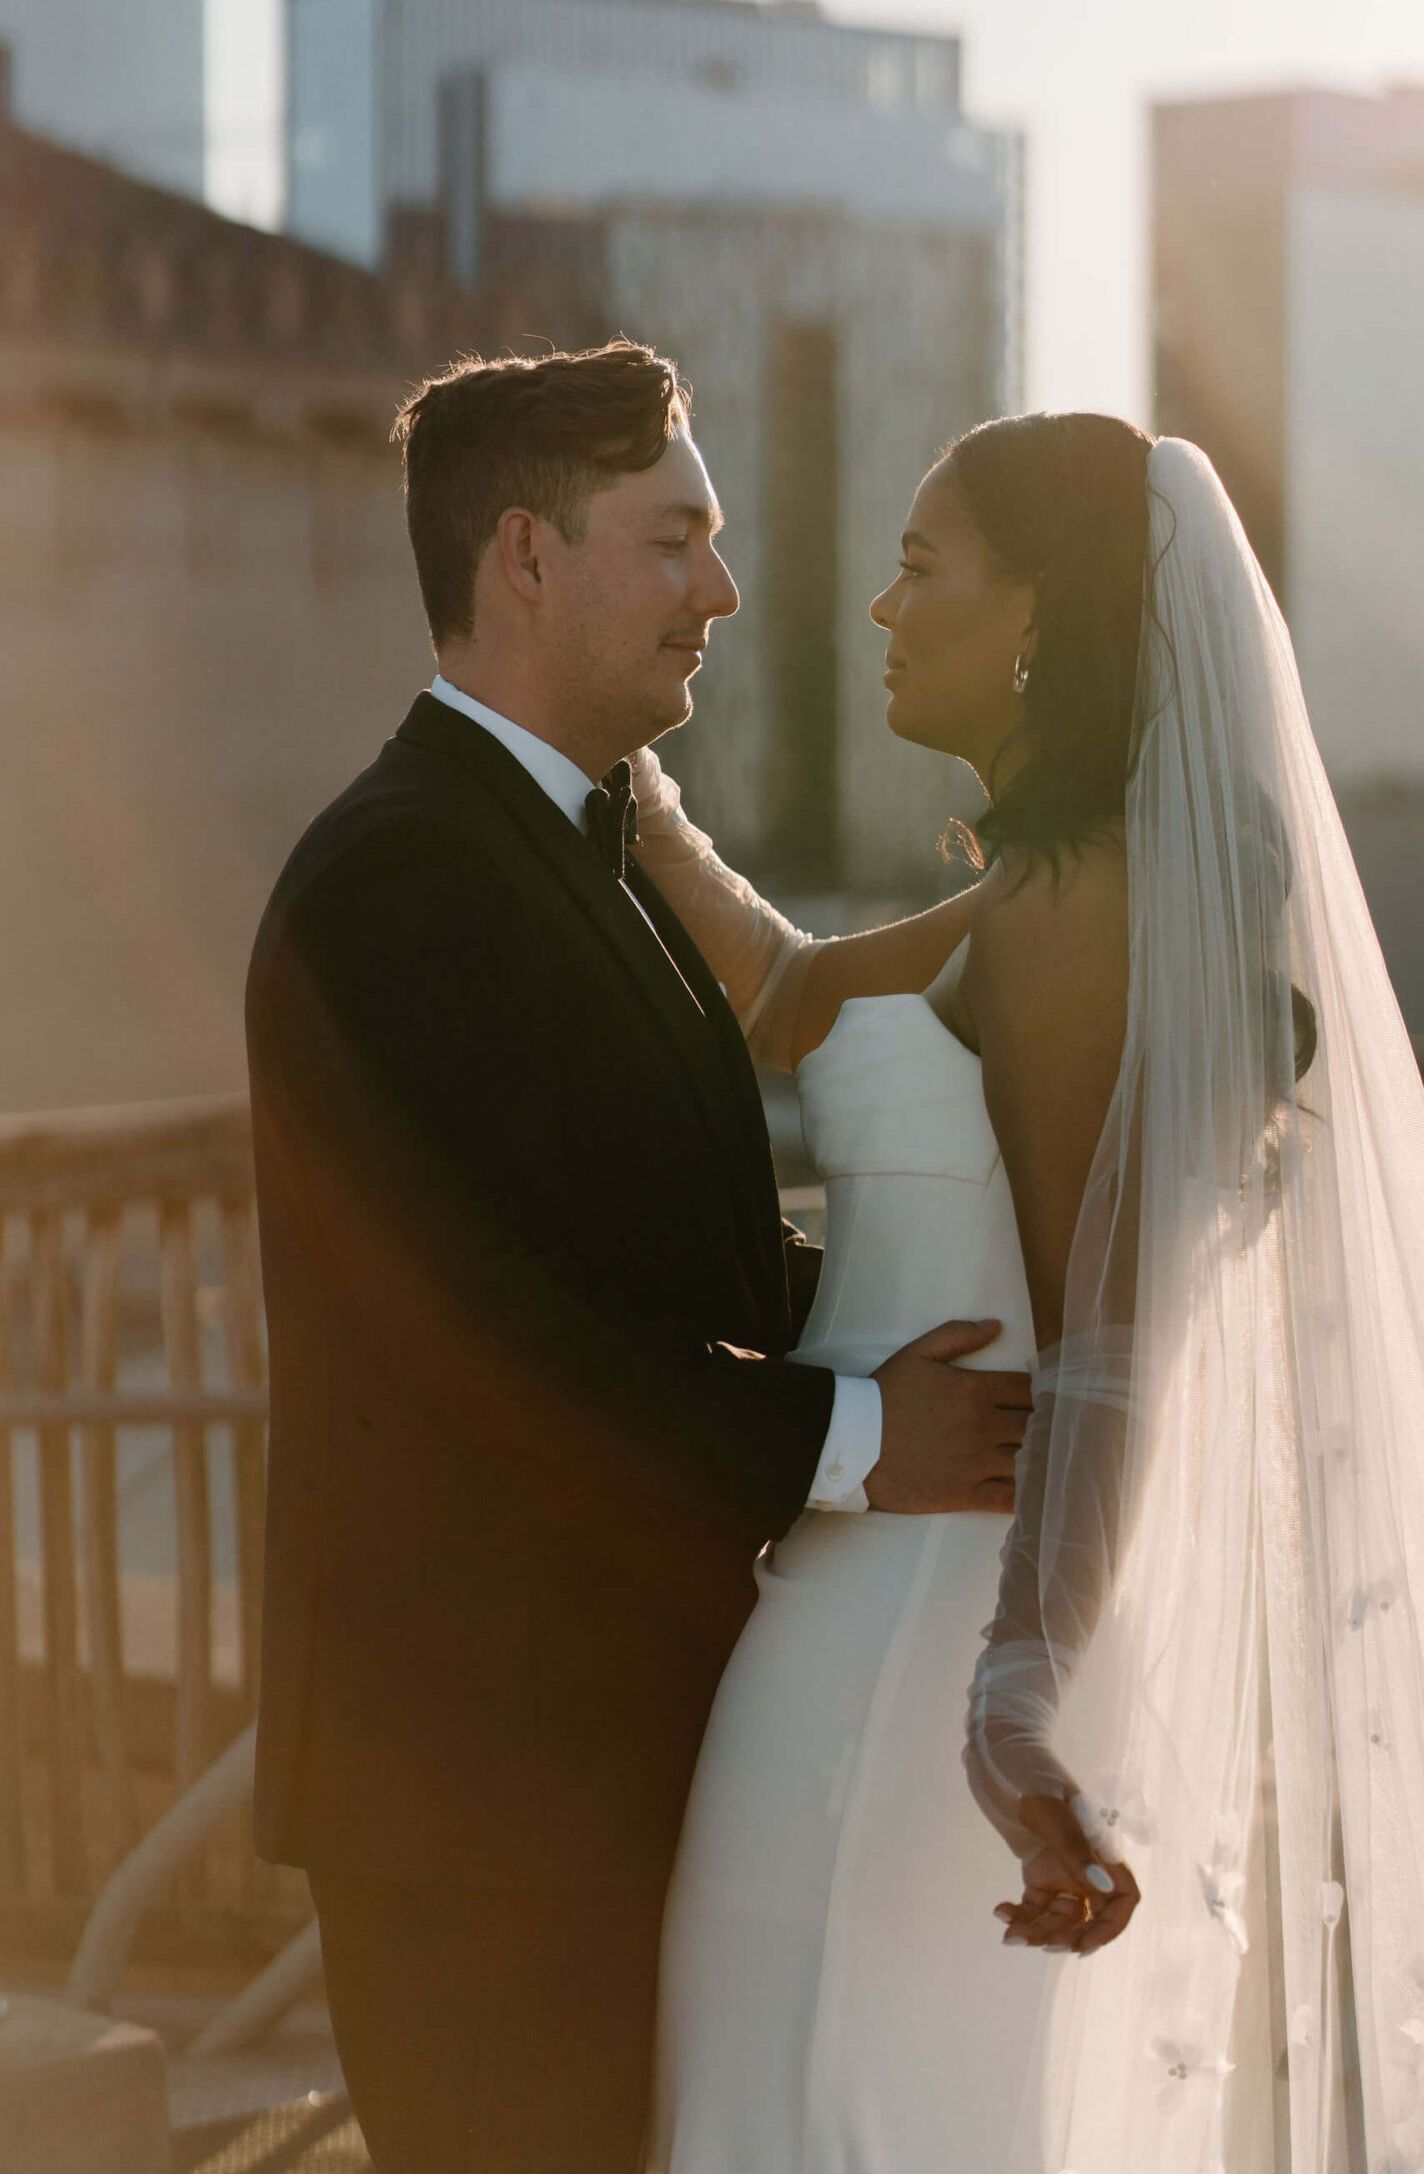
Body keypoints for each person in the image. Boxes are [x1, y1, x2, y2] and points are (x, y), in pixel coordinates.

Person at [641, 414, 1424, 2169]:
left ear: (1044, 616)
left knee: (829, 2100)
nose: (886, 611)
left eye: (926, 569)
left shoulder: (1077, 907)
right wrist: (635, 786)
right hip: (866, 1598)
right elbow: (793, 995)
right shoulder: (1041, 895)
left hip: (921, 1637)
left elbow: (1110, 1352)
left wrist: (1012, 1701)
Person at [244, 341, 1032, 2174]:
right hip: (479, 1802)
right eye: (676, 538)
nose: (724, 592)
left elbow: (665, 1244)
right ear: (525, 556)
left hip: (602, 1761)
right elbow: (482, 1339)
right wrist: (851, 1438)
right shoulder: (400, 880)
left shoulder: (569, 854)